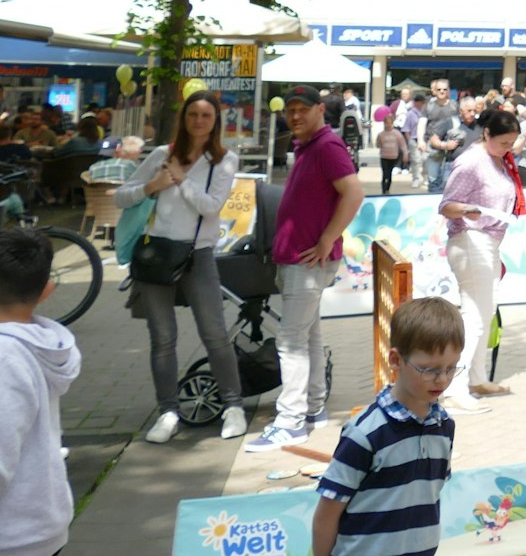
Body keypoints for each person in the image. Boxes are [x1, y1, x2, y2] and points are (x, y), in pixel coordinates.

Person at [115, 92, 248, 443]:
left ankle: (233, 406)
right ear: (184, 117)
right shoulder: (161, 154)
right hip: (155, 255)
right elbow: (120, 196)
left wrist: (181, 179)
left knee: (214, 333)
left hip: (197, 255)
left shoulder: (224, 160)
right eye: (193, 114)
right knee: (162, 338)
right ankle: (167, 411)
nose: (199, 121)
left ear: (216, 120)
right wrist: (152, 186)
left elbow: (212, 207)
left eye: (206, 115)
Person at [247, 86, 365, 452]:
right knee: (308, 336)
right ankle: (313, 409)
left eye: (302, 109)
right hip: (301, 259)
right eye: (290, 110)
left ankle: (290, 421)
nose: (294, 116)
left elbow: (354, 193)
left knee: (291, 341)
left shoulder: (327, 146)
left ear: (319, 110)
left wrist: (328, 238)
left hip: (307, 261)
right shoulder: (309, 145)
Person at [312, 296, 460, 556]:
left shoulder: (444, 427)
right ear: (395, 360)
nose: (442, 379)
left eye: (451, 368)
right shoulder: (364, 433)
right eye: (429, 369)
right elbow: (327, 513)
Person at [438, 107, 526, 415]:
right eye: (504, 143)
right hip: (470, 239)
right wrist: (467, 209)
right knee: (474, 316)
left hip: (487, 242)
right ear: (486, 134)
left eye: (512, 143)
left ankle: (476, 378)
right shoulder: (471, 161)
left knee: (485, 313)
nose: (509, 149)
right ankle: (453, 388)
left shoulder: (496, 159)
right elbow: (446, 205)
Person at [0, 228, 80, 556]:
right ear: (47, 290)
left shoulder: (5, 356)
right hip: (38, 525)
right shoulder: (39, 345)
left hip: (13, 534)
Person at [422, 80, 456, 193]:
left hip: (451, 148)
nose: (442, 91)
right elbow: (421, 123)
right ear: (434, 91)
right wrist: (420, 141)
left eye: (444, 89)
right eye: (439, 89)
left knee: (448, 181)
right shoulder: (429, 106)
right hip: (433, 148)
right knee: (433, 179)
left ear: (448, 91)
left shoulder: (454, 106)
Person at [374, 111, 407, 197]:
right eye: (386, 123)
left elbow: (402, 145)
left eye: (389, 123)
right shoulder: (381, 134)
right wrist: (379, 142)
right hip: (384, 156)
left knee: (389, 173)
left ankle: (388, 189)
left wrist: (405, 154)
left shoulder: (397, 134)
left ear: (392, 123)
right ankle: (384, 190)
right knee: (384, 173)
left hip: (393, 156)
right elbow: (378, 145)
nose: (387, 125)